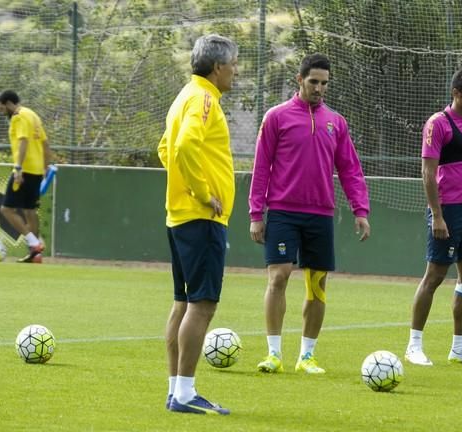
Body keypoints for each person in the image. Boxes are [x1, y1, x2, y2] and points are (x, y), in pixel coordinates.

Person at [249, 53, 371, 375]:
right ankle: (273, 354)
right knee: (279, 276)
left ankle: (307, 357)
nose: (319, 88)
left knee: (317, 286)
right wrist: (256, 212)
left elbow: (350, 170)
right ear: (299, 80)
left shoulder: (336, 122)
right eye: (314, 82)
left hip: (320, 214)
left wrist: (361, 210)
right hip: (283, 212)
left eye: (324, 84)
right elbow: (261, 167)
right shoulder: (276, 117)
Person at [157, 34, 238, 415]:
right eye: (233, 64)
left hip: (179, 215)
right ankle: (186, 394)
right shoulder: (204, 99)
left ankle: (176, 390)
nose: (235, 71)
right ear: (218, 67)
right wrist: (203, 192)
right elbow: (186, 146)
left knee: (183, 303)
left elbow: (165, 148)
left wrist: (182, 184)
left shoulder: (184, 96)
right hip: (201, 217)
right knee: (202, 305)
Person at [404, 68, 462, 367]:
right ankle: (414, 345)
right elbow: (428, 172)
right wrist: (437, 215)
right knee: (435, 276)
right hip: (448, 211)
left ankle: (460, 347)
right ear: (456, 93)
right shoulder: (437, 124)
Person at [0, 90, 52, 263]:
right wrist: (46, 167)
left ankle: (34, 243)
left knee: (6, 209)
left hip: (24, 169)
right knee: (29, 210)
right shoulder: (32, 115)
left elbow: (23, 141)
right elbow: (45, 143)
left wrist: (18, 168)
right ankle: (35, 254)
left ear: (7, 103)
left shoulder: (18, 117)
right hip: (36, 170)